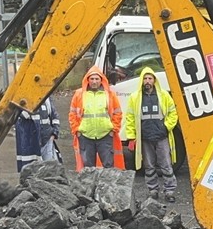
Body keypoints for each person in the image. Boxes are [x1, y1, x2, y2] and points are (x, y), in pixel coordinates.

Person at [125, 67, 179, 202]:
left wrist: (165, 127)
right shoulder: (135, 97)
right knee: (148, 166)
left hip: (161, 136)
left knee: (166, 164)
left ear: (154, 80)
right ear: (141, 80)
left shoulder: (164, 95)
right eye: (145, 78)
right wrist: (131, 137)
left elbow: (173, 113)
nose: (147, 81)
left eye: (150, 78)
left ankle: (170, 191)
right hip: (145, 137)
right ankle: (153, 190)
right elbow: (130, 118)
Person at [69, 66, 123, 170]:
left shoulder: (109, 94)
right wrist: (77, 130)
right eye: (92, 79)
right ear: (87, 80)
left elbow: (118, 112)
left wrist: (113, 128)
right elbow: (72, 114)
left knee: (109, 167)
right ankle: (90, 187)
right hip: (86, 136)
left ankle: (108, 186)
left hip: (105, 135)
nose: (94, 81)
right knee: (88, 169)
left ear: (101, 80)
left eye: (97, 79)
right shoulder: (79, 94)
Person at [14, 98, 60, 171]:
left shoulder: (47, 99)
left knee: (49, 169)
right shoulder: (24, 98)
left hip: (47, 139)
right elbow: (22, 116)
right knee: (31, 170)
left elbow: (54, 116)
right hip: (31, 142)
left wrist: (54, 133)